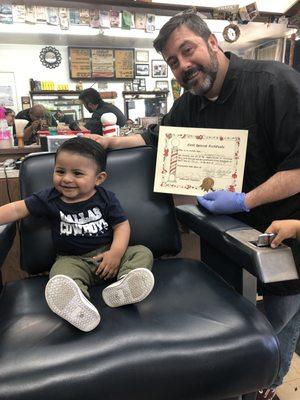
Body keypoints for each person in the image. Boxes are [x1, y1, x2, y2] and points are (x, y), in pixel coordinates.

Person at [86, 10, 300, 400]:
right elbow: (159, 138)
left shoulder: (274, 83)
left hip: (287, 228)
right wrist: (114, 143)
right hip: (228, 229)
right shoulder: (191, 103)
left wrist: (245, 198)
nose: (183, 66)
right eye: (173, 61)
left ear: (213, 42)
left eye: (188, 51)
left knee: (278, 320)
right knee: (234, 320)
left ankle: (269, 380)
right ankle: (241, 377)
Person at [0, 137, 154, 332]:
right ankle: (77, 305)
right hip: (73, 260)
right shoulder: (49, 198)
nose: (66, 179)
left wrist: (116, 253)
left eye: (78, 173)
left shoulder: (106, 198)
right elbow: (16, 210)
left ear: (99, 178)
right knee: (60, 273)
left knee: (142, 252)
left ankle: (124, 285)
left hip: (109, 257)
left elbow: (122, 225)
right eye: (60, 171)